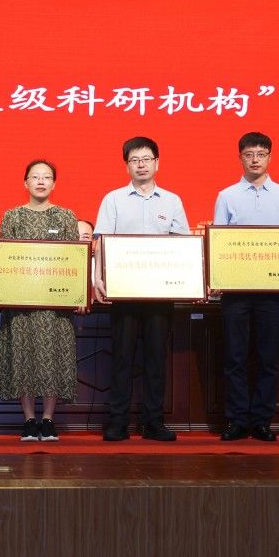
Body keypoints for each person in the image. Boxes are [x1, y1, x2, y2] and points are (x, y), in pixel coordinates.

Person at [93, 136, 189, 442]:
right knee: (121, 357)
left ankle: (153, 422)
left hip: (159, 293)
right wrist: (97, 279)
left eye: (146, 159)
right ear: (127, 166)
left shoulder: (172, 201)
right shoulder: (113, 199)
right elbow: (101, 242)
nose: (141, 165)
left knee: (156, 359)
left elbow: (182, 244)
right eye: (134, 160)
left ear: (157, 163)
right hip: (123, 292)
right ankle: (117, 421)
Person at [0, 160, 81, 442]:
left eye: (46, 177)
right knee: (23, 357)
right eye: (35, 177)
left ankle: (48, 419)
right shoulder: (12, 216)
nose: (41, 181)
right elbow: (3, 260)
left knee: (53, 356)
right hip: (21, 303)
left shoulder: (66, 217)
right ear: (25, 183)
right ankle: (29, 419)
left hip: (55, 303)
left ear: (54, 183)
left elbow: (74, 259)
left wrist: (79, 294)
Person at [212, 132, 279, 443]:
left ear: (270, 157)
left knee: (268, 358)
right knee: (234, 358)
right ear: (240, 158)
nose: (255, 159)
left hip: (272, 291)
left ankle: (262, 421)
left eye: (261, 154)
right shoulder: (227, 196)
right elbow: (218, 242)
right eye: (249, 154)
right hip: (235, 291)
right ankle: (237, 420)